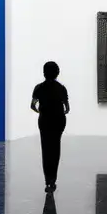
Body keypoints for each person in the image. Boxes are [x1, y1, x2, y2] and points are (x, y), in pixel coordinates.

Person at [31, 61, 69, 191]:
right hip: (58, 120)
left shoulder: (38, 88)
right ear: (57, 73)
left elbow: (33, 105)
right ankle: (53, 180)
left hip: (44, 121)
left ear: (44, 73)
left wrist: (40, 111)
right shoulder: (61, 88)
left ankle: (47, 181)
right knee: (55, 148)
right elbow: (67, 108)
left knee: (46, 149)